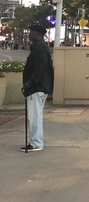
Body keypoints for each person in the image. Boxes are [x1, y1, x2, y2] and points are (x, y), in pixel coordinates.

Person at [21, 24, 54, 152]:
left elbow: (40, 68)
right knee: (35, 115)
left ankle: (36, 142)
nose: (29, 34)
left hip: (36, 87)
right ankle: (36, 141)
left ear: (37, 34)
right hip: (40, 86)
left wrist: (30, 82)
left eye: (31, 32)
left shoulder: (39, 48)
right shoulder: (41, 47)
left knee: (34, 116)